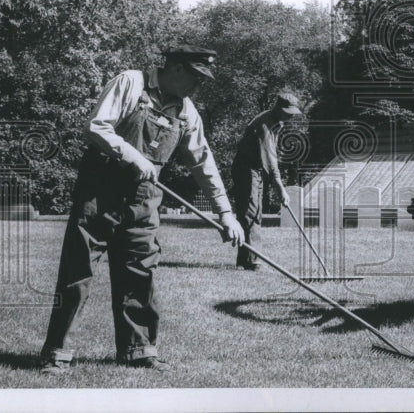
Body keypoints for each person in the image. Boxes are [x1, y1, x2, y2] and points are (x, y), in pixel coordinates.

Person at [38, 46, 245, 375]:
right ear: (176, 68)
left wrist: (226, 213)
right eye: (196, 77)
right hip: (99, 193)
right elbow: (96, 127)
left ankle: (138, 351)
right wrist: (134, 156)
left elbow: (203, 163)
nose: (198, 86)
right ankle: (56, 352)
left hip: (144, 200)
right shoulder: (130, 83)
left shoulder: (186, 111)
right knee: (77, 273)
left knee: (140, 273)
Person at [231, 93, 301, 269]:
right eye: (288, 112)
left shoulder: (277, 121)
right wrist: (280, 188)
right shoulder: (264, 125)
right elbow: (269, 159)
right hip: (246, 169)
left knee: (256, 212)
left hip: (256, 169)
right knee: (250, 212)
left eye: (293, 113)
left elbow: (272, 156)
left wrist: (277, 185)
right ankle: (251, 260)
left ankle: (246, 259)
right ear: (278, 108)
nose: (291, 116)